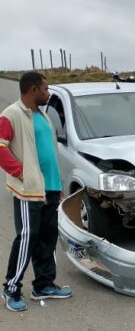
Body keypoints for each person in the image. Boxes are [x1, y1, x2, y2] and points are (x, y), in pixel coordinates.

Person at [0, 72, 72, 312]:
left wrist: (58, 184)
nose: (48, 93)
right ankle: (11, 287)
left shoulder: (42, 115)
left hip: (50, 187)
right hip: (28, 189)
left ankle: (43, 285)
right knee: (27, 237)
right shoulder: (12, 114)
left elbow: (49, 152)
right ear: (32, 90)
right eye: (45, 89)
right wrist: (21, 173)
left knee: (48, 237)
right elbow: (0, 147)